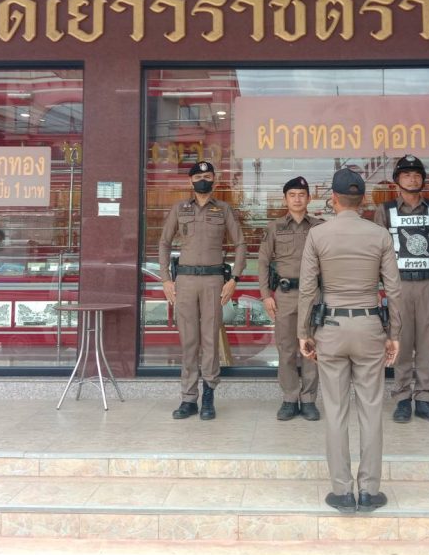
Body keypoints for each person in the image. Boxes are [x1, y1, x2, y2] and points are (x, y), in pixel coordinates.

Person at [298, 167, 403, 514]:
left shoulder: (318, 235)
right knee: (371, 409)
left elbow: (307, 289)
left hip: (330, 327)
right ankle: (369, 491)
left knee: (335, 410)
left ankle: (342, 491)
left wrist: (303, 332)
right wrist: (395, 334)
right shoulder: (380, 235)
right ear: (363, 200)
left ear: (333, 199)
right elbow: (394, 290)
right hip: (370, 326)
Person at [159, 161, 246, 421]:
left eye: (207, 176)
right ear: (190, 181)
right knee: (189, 341)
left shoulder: (223, 209)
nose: (202, 180)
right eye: (198, 177)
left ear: (214, 180)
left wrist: (234, 279)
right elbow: (164, 243)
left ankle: (208, 394)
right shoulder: (179, 209)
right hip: (185, 281)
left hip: (213, 282)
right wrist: (166, 279)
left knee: (210, 340)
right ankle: (188, 398)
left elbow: (240, 244)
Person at [374, 155, 429, 424]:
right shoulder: (385, 210)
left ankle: (424, 399)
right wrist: (376, 287)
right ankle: (402, 398)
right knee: (401, 340)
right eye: (407, 175)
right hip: (398, 286)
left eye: (417, 174)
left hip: (428, 284)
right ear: (397, 180)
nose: (413, 179)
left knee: (426, 342)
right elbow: (376, 252)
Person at [257, 176, 323, 421]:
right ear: (285, 199)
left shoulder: (319, 227)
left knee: (311, 348)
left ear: (309, 198)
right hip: (284, 295)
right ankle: (289, 398)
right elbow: (263, 263)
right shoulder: (274, 227)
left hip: (313, 295)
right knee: (286, 349)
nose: (297, 199)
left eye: (301, 195)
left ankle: (309, 400)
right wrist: (266, 295)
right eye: (292, 195)